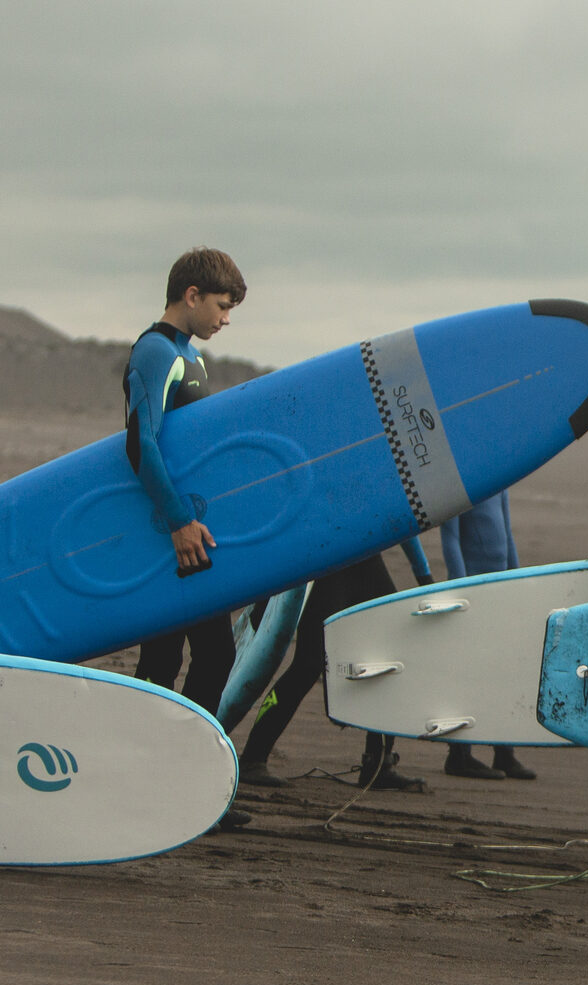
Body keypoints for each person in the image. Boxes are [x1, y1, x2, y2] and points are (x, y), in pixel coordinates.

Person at [124, 247, 249, 832]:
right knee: (162, 659)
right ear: (191, 295)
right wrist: (176, 521)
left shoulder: (190, 358)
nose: (227, 318)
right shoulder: (155, 352)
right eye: (222, 306)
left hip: (191, 533)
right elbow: (141, 445)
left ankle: (182, 780)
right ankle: (146, 782)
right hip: (167, 534)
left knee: (215, 654)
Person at [237, 540, 434, 792]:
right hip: (328, 556)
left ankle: (378, 764)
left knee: (389, 657)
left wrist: (424, 573)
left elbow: (404, 514)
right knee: (309, 663)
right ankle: (254, 757)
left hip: (367, 556)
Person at [436, 491, 535, 780]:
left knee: (502, 672)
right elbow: (450, 541)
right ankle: (459, 754)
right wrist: (462, 590)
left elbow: (507, 534)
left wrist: (517, 581)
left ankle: (504, 753)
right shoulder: (460, 483)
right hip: (472, 594)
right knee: (469, 675)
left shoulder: (498, 481)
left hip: (499, 590)